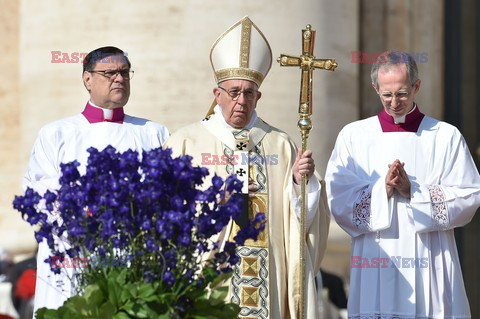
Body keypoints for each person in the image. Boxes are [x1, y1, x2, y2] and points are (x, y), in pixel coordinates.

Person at [165, 16, 330, 318]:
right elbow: (166, 216)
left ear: (259, 96)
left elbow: (305, 222)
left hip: (269, 282)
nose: (241, 100)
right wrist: (217, 204)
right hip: (212, 281)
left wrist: (298, 185)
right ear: (217, 95)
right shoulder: (185, 143)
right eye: (233, 92)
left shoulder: (281, 145)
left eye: (249, 93)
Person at [325, 50, 480, 318]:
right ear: (375, 88)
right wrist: (382, 189)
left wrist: (414, 192)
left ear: (416, 87)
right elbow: (338, 197)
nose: (394, 102)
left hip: (429, 257)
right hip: (375, 255)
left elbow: (469, 194)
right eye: (387, 95)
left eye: (402, 93)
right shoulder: (354, 136)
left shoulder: (445, 136)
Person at [23, 46, 170, 315]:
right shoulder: (56, 133)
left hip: (132, 254)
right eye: (110, 72)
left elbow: (165, 193)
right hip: (73, 255)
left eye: (125, 73)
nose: (120, 79)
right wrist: (86, 214)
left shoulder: (153, 133)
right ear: (87, 79)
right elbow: (37, 191)